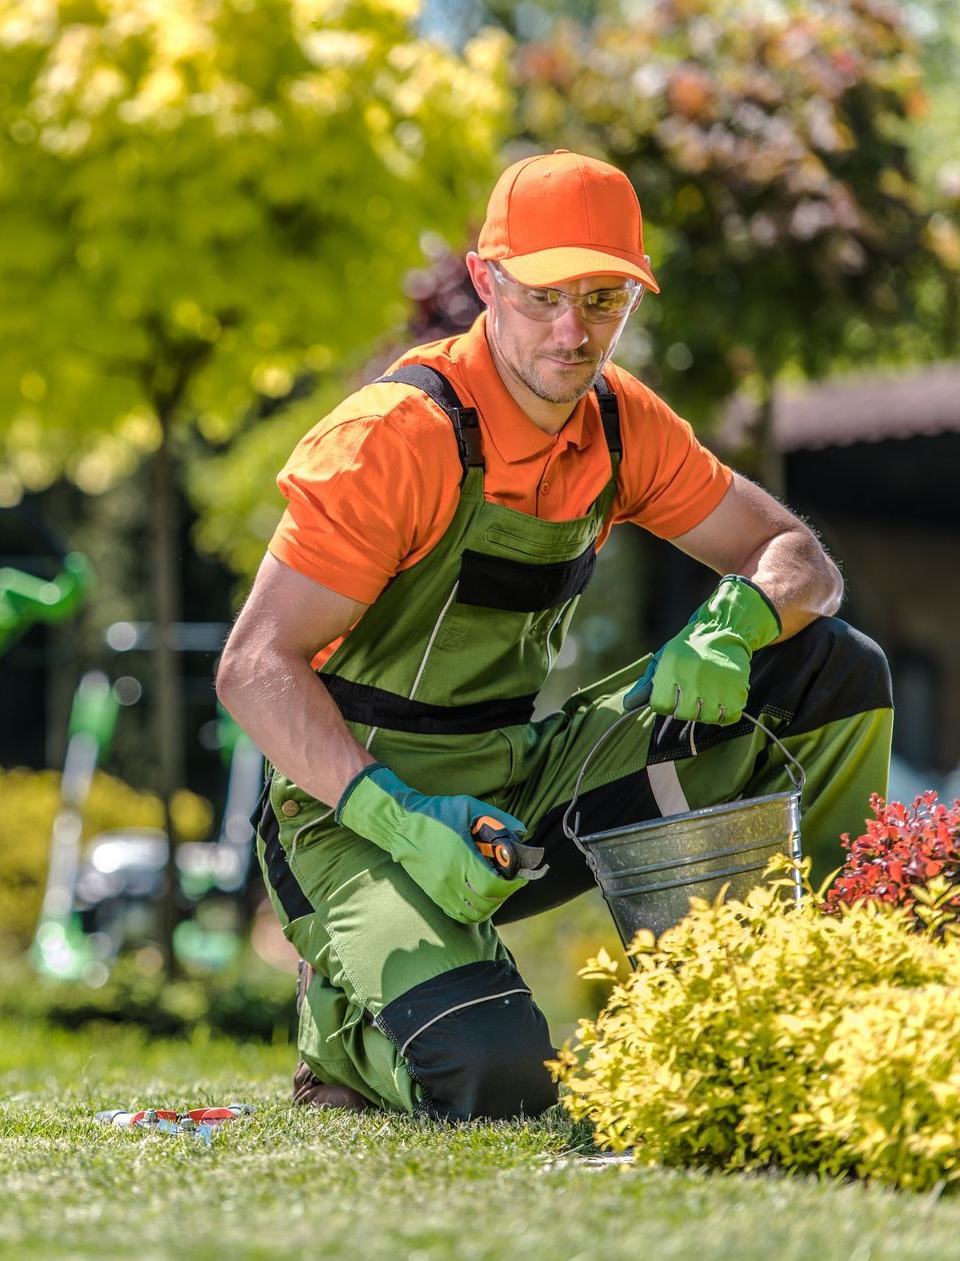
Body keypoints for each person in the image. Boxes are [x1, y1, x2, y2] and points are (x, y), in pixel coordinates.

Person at [214, 150, 894, 1120]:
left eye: (604, 298)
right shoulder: (393, 438)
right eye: (543, 297)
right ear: (487, 282)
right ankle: (344, 1032)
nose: (573, 331)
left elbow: (799, 558)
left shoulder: (623, 426)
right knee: (498, 1076)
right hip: (346, 808)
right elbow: (251, 667)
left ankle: (809, 999)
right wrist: (399, 815)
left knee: (832, 669)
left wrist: (737, 621)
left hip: (514, 780)